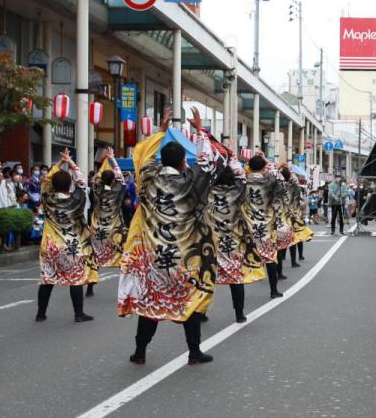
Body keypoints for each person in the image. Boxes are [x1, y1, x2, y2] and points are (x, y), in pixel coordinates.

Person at [118, 110, 218, 363]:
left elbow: (142, 157)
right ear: (184, 161)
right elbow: (207, 164)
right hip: (184, 256)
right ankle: (194, 352)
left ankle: (139, 352)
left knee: (152, 301)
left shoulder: (147, 179)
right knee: (189, 300)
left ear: (162, 161)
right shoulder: (190, 182)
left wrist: (159, 132)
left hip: (155, 254)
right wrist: (199, 131)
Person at [35, 149, 97, 322]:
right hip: (71, 245)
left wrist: (60, 164)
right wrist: (71, 162)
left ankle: (41, 313)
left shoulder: (47, 198)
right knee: (75, 278)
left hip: (50, 245)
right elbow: (82, 182)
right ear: (69, 184)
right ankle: (78, 314)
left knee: (47, 279)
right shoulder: (76, 199)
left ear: (52, 185)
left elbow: (46, 180)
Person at [209, 157, 266, 324]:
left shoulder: (208, 193)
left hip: (211, 244)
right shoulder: (238, 193)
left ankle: (201, 311)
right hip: (232, 243)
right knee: (236, 279)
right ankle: (239, 314)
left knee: (207, 279)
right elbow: (245, 182)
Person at [88, 148, 130, 297]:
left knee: (95, 257)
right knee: (122, 257)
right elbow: (121, 179)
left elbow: (98, 178)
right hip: (115, 229)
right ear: (113, 180)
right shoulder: (117, 191)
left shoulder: (97, 190)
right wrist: (112, 159)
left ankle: (90, 287)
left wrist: (104, 163)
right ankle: (123, 289)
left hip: (98, 228)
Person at [244, 151, 285, 299]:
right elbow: (281, 182)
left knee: (244, 256)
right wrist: (267, 161)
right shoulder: (270, 181)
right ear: (264, 167)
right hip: (266, 225)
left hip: (248, 225)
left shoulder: (243, 181)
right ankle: (273, 290)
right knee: (270, 258)